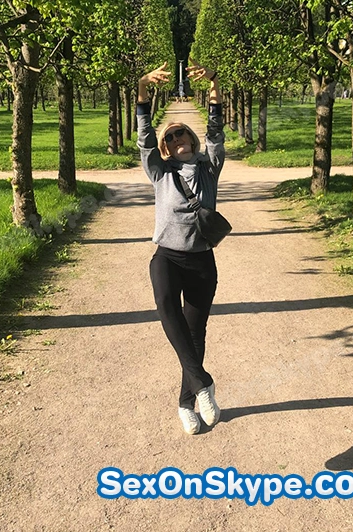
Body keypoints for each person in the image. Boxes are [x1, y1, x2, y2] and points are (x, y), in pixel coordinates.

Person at [136, 60, 225, 435]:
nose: (175, 139)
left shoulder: (209, 167)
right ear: (165, 147)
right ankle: (204, 383)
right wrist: (142, 88)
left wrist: (214, 84)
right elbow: (144, 137)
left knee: (195, 334)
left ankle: (187, 402)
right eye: (169, 137)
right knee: (165, 307)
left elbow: (216, 131)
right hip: (167, 257)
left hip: (202, 261)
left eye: (180, 133)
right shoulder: (160, 171)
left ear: (191, 137)